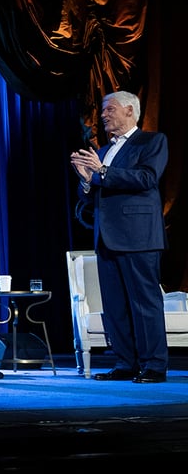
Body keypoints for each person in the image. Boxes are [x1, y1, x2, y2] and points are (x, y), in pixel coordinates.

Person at [70, 90, 169, 383]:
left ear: (129, 110)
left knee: (144, 303)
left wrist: (102, 171)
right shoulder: (103, 150)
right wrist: (87, 181)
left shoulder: (152, 142)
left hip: (139, 237)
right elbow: (91, 194)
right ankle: (126, 362)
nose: (103, 115)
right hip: (107, 237)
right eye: (102, 110)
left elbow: (147, 178)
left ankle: (154, 365)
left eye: (109, 109)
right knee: (115, 305)